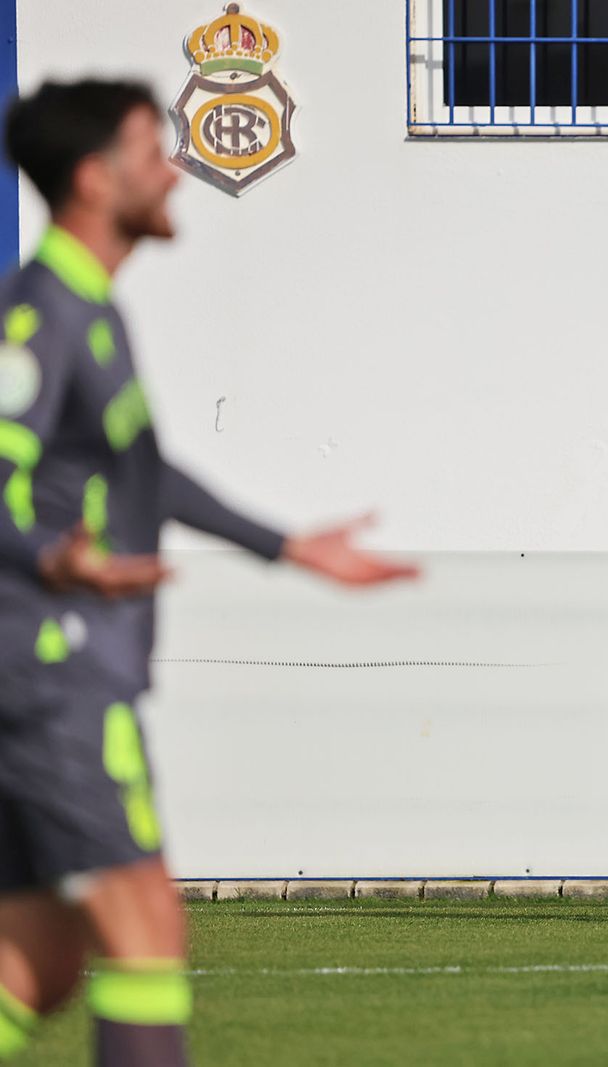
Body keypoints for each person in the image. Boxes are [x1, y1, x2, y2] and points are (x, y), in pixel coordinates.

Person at [0, 79, 417, 1064]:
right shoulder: (42, 316)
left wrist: (286, 544)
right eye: (153, 149)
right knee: (146, 925)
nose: (173, 168)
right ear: (97, 179)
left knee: (38, 960)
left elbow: (144, 467)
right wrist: (55, 556)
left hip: (47, 668)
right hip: (49, 671)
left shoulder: (88, 309)